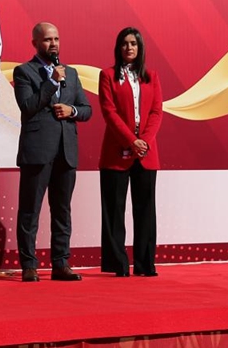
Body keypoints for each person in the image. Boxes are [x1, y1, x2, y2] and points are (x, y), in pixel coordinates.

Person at [13, 22, 92, 282]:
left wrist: (74, 111)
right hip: (37, 150)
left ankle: (61, 262)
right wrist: (50, 82)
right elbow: (27, 106)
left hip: (66, 150)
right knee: (30, 210)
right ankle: (29, 264)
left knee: (62, 210)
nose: (54, 44)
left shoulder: (71, 73)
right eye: (47, 40)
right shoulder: (24, 72)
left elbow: (87, 109)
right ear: (35, 43)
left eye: (57, 38)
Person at [97, 27, 163, 277]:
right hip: (116, 152)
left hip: (146, 153)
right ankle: (118, 264)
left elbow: (157, 112)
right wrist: (130, 140)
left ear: (140, 47)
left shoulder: (151, 76)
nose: (129, 48)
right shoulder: (108, 75)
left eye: (133, 43)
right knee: (114, 211)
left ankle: (145, 264)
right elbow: (109, 112)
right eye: (124, 43)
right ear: (118, 48)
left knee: (145, 210)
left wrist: (143, 140)